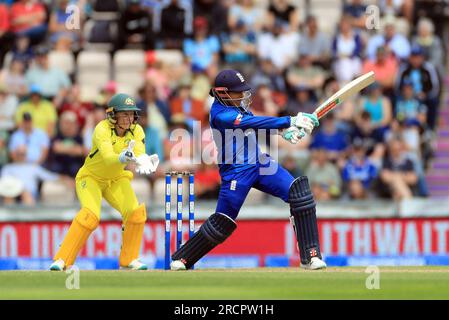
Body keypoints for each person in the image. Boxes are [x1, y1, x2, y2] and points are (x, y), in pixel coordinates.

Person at [169, 69, 326, 271]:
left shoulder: (237, 105)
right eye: (238, 91)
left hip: (260, 164)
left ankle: (310, 256)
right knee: (223, 222)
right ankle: (183, 258)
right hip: (237, 171)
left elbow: (255, 127)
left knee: (299, 194)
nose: (243, 95)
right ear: (223, 92)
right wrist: (290, 120)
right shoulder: (220, 113)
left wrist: (284, 132)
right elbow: (250, 122)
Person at [49, 93, 160, 271]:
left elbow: (139, 152)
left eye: (131, 114)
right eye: (124, 114)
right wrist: (124, 157)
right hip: (90, 178)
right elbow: (108, 158)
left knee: (135, 213)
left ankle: (129, 259)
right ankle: (62, 260)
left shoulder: (137, 130)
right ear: (113, 115)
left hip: (115, 179)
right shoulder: (102, 128)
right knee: (90, 216)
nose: (128, 118)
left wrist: (143, 160)